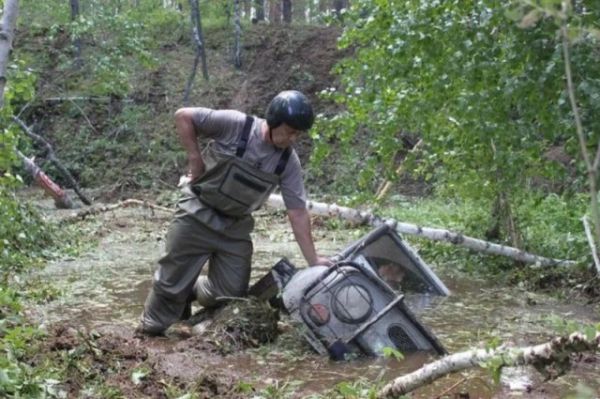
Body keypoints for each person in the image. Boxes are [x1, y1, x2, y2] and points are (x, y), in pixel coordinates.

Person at [136, 90, 331, 336]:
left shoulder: (288, 162)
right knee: (167, 287)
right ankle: (148, 334)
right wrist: (195, 159)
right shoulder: (236, 125)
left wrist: (313, 259)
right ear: (273, 121)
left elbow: (297, 212)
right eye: (290, 131)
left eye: (298, 134)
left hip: (235, 227)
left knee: (230, 295)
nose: (293, 138)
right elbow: (183, 116)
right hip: (197, 211)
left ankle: (190, 289)